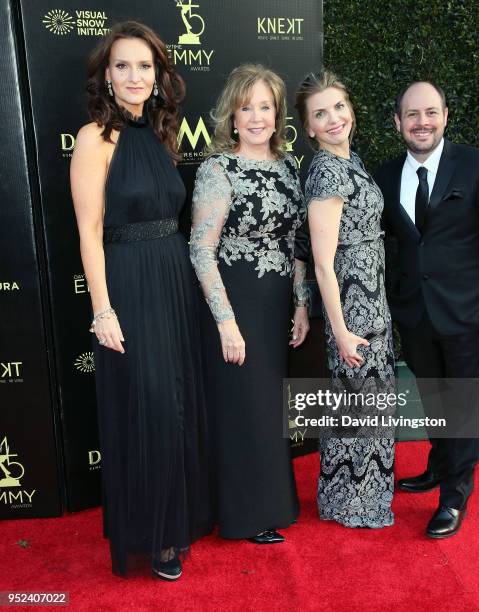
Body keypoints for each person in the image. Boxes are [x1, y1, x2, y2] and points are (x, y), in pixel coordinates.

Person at [70, 21, 212, 579]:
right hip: (128, 282)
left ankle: (175, 528)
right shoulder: (92, 138)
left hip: (173, 278)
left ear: (158, 77)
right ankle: (151, 535)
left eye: (145, 66)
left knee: (177, 405)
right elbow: (89, 231)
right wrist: (102, 309)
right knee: (148, 406)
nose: (135, 76)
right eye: (123, 66)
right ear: (106, 76)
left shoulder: (160, 134)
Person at [374, 81, 479, 538]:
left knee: (464, 406)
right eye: (412, 115)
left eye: (431, 112)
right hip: (417, 315)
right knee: (435, 398)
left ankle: (454, 496)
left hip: (471, 315)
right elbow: (395, 245)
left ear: (445, 115)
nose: (422, 122)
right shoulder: (383, 176)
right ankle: (440, 467)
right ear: (398, 122)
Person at [190, 64, 309, 544]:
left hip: (274, 304)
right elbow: (201, 249)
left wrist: (301, 304)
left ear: (277, 114)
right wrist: (225, 322)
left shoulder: (287, 167)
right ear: (232, 116)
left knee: (265, 408)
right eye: (247, 107)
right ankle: (243, 515)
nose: (257, 117)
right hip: (233, 303)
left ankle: (270, 504)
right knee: (241, 408)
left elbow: (294, 245)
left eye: (265, 106)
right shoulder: (218, 168)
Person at [295, 70, 395, 528]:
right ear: (309, 128)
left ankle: (355, 501)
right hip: (352, 312)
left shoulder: (350, 161)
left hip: (372, 304)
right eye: (321, 113)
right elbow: (322, 264)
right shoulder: (329, 171)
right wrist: (340, 333)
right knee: (361, 406)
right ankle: (353, 504)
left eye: (338, 107)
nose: (333, 118)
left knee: (364, 408)